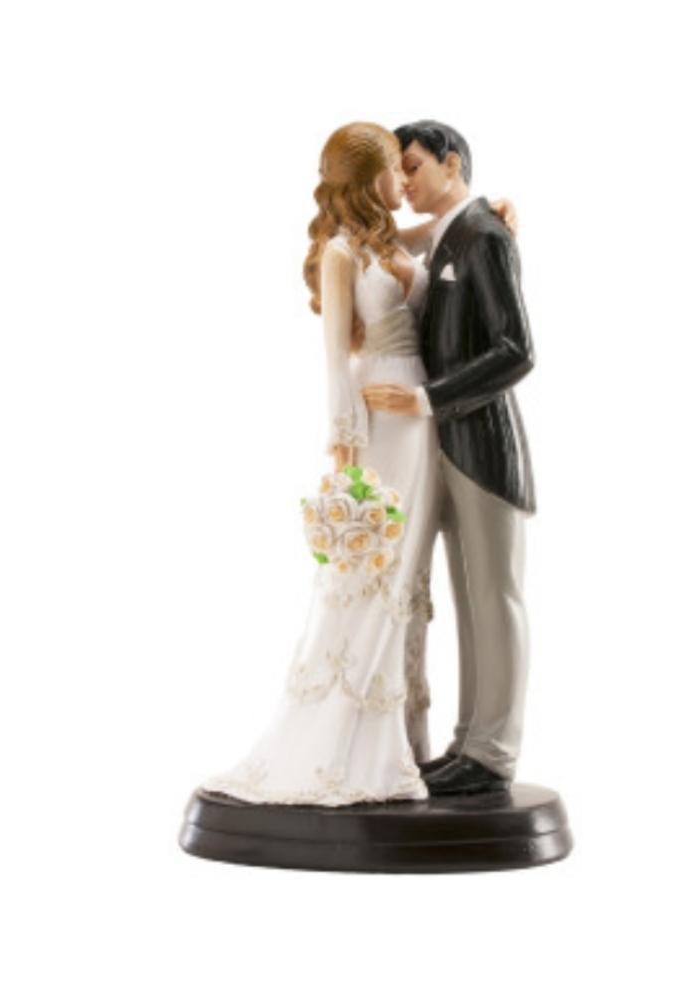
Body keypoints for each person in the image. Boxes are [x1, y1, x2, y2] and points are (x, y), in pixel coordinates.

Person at [201, 122, 442, 805]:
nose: (403, 181)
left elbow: (441, 232)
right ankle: (343, 741)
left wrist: (499, 209)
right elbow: (335, 358)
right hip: (377, 418)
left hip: (421, 417)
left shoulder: (393, 242)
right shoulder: (342, 253)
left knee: (408, 577)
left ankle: (404, 735)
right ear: (369, 178)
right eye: (394, 169)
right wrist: (345, 451)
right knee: (369, 573)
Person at [363, 120, 536, 796]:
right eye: (396, 171)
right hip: (447, 447)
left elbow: (515, 351)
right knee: (470, 596)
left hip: (483, 443)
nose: (403, 182)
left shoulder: (484, 234)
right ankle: (470, 743)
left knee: (493, 596)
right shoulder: (446, 233)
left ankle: (493, 753)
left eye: (412, 167)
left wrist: (427, 399)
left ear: (452, 163)